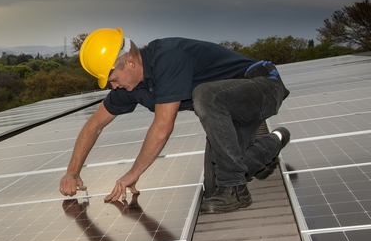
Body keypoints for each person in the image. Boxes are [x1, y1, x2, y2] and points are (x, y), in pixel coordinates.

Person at [59, 28, 290, 214]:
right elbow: (94, 125)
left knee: (205, 95)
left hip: (263, 87)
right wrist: (72, 171)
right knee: (214, 187)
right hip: (231, 113)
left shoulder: (168, 57)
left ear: (129, 62)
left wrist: (133, 172)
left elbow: (162, 127)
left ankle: (236, 192)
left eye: (114, 79)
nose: (114, 86)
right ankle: (272, 144)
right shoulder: (129, 88)